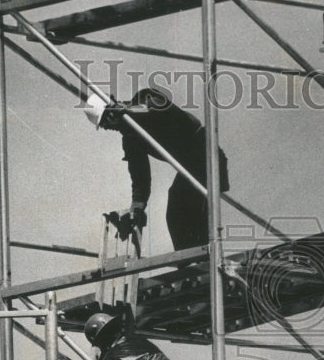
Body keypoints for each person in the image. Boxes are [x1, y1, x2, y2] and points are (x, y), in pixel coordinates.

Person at [84, 86, 230, 252]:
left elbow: (159, 107)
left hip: (206, 154)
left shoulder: (144, 98)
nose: (108, 128)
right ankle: (193, 265)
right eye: (104, 126)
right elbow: (140, 178)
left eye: (106, 122)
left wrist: (129, 111)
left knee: (183, 207)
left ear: (111, 111)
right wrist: (137, 207)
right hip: (191, 168)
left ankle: (205, 261)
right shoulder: (131, 139)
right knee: (176, 212)